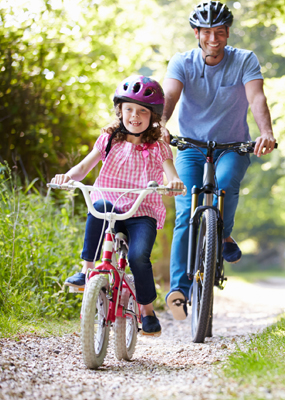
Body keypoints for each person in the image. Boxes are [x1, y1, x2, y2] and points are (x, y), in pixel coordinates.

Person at [161, 1, 276, 320]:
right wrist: (161, 125)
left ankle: (222, 233)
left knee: (225, 186)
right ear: (196, 33)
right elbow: (170, 95)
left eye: (220, 32)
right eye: (207, 33)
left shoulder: (244, 60)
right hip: (191, 147)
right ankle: (179, 290)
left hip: (233, 146)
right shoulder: (182, 62)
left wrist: (265, 132)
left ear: (228, 33)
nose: (214, 39)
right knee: (186, 211)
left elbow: (256, 97)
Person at [51, 75, 185, 336]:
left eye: (142, 111)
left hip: (141, 212)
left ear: (153, 116)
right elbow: (83, 167)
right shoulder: (109, 139)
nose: (135, 116)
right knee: (98, 204)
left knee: (137, 257)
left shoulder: (158, 146)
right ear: (120, 111)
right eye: (129, 109)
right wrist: (67, 177)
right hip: (110, 207)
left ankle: (147, 311)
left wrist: (175, 182)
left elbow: (171, 173)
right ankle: (87, 270)